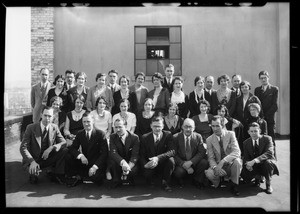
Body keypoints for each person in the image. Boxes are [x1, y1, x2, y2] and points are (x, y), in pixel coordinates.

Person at [20, 106, 67, 185]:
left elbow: (63, 142)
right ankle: (34, 171)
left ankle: (56, 173)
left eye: (49, 116)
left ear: (53, 117)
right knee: (34, 179)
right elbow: (23, 147)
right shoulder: (31, 128)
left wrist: (51, 147)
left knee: (64, 150)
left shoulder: (54, 127)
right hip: (33, 159)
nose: (47, 118)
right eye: (45, 115)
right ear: (41, 115)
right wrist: (32, 162)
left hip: (47, 158)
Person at [65, 112, 109, 187]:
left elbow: (105, 153)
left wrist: (95, 167)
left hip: (96, 163)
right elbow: (72, 148)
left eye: (88, 121)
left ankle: (83, 175)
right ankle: (75, 176)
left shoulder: (100, 134)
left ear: (93, 121)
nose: (86, 124)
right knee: (68, 155)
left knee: (96, 178)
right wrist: (81, 156)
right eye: (84, 122)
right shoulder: (80, 133)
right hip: (85, 161)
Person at [205, 115, 242, 196]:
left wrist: (223, 161)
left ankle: (234, 185)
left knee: (237, 162)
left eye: (217, 126)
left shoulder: (231, 134)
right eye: (213, 126)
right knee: (209, 174)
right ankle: (218, 181)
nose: (215, 129)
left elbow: (237, 152)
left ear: (222, 125)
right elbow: (211, 158)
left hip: (230, 164)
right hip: (218, 166)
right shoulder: (209, 139)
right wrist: (215, 168)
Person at [241, 122, 279, 194]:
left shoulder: (267, 139)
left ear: (260, 131)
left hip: (266, 162)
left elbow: (269, 153)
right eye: (251, 131)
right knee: (244, 167)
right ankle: (257, 178)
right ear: (248, 132)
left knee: (268, 163)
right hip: (255, 164)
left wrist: (254, 161)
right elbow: (246, 157)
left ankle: (268, 184)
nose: (254, 133)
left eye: (256, 131)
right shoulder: (246, 143)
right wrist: (248, 164)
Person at [140, 116, 176, 192]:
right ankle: (150, 181)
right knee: (147, 173)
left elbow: (172, 151)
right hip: (150, 163)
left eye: (159, 126)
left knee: (171, 161)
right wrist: (145, 165)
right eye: (154, 126)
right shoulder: (145, 137)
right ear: (151, 126)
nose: (157, 129)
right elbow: (141, 154)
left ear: (162, 126)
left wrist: (157, 158)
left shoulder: (168, 135)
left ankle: (165, 183)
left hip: (163, 162)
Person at [173, 118, 209, 189]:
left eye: (190, 127)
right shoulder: (175, 137)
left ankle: (197, 180)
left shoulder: (198, 136)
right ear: (182, 127)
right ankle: (180, 180)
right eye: (186, 126)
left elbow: (201, 152)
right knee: (179, 172)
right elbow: (174, 154)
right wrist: (183, 163)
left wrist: (191, 162)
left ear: (194, 128)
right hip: (181, 163)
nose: (188, 129)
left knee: (204, 162)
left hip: (193, 162)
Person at [109, 119, 140, 188]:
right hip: (119, 161)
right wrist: (123, 163)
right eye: (116, 127)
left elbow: (135, 155)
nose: (118, 130)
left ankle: (130, 179)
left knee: (134, 170)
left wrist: (128, 167)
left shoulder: (134, 137)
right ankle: (116, 180)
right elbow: (113, 153)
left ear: (125, 126)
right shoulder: (112, 136)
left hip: (130, 162)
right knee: (112, 162)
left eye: (120, 127)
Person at [90, 96, 113, 180]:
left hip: (105, 136)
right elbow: (92, 128)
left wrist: (105, 137)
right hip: (95, 136)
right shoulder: (92, 113)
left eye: (103, 103)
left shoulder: (108, 114)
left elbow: (110, 130)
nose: (102, 104)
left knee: (108, 148)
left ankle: (107, 170)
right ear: (97, 104)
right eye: (100, 102)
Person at [254, 70, 279, 149]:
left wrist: (264, 116)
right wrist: (260, 116)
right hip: (259, 119)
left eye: (265, 78)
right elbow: (256, 105)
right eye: (261, 78)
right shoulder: (257, 90)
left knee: (271, 139)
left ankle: (273, 158)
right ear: (259, 79)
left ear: (268, 78)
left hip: (269, 118)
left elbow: (275, 106)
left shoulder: (274, 89)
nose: (263, 80)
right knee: (260, 139)